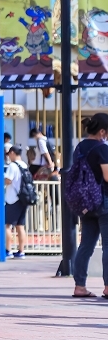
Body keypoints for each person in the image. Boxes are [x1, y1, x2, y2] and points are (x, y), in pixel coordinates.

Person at [71, 113, 108, 299]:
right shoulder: (102, 148)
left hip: (85, 202)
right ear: (102, 131)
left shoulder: (79, 147)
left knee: (86, 245)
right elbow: (107, 176)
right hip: (104, 201)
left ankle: (80, 286)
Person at [4, 146, 27, 259]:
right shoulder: (24, 165)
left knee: (7, 225)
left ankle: (8, 250)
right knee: (20, 226)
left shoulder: (12, 166)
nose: (8, 156)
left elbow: (8, 180)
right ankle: (21, 251)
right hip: (23, 199)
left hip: (12, 199)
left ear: (12, 153)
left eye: (9, 154)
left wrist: (1, 180)